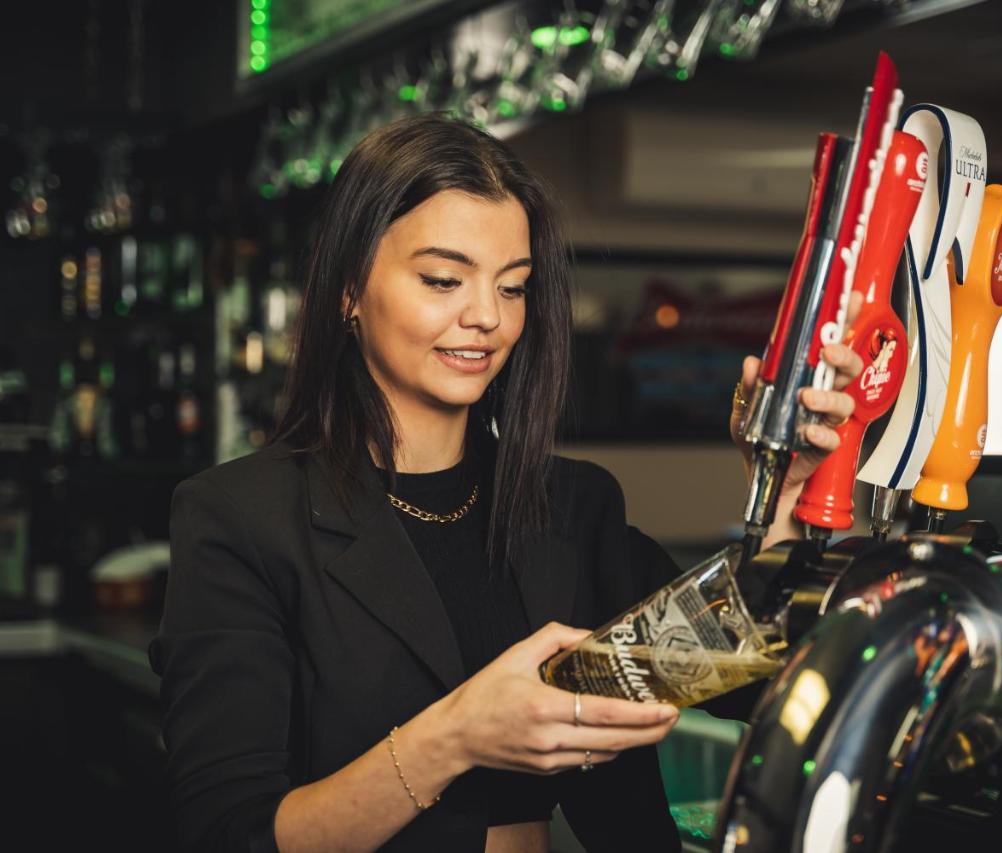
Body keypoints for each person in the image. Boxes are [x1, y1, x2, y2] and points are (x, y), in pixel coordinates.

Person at [148, 113, 863, 853]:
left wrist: (781, 502)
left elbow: (751, 672)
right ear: (348, 289)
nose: (486, 317)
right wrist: (455, 735)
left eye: (513, 287)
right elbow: (230, 834)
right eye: (442, 279)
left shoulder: (574, 507)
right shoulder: (241, 519)